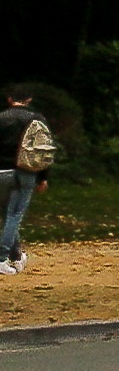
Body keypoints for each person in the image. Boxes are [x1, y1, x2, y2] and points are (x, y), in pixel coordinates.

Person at [0, 81, 46, 272]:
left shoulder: (1, 118)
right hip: (25, 172)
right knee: (15, 215)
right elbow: (43, 150)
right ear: (29, 99)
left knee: (7, 214)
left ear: (10, 99)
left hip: (1, 171)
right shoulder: (36, 119)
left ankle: (16, 255)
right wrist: (43, 177)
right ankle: (2, 257)